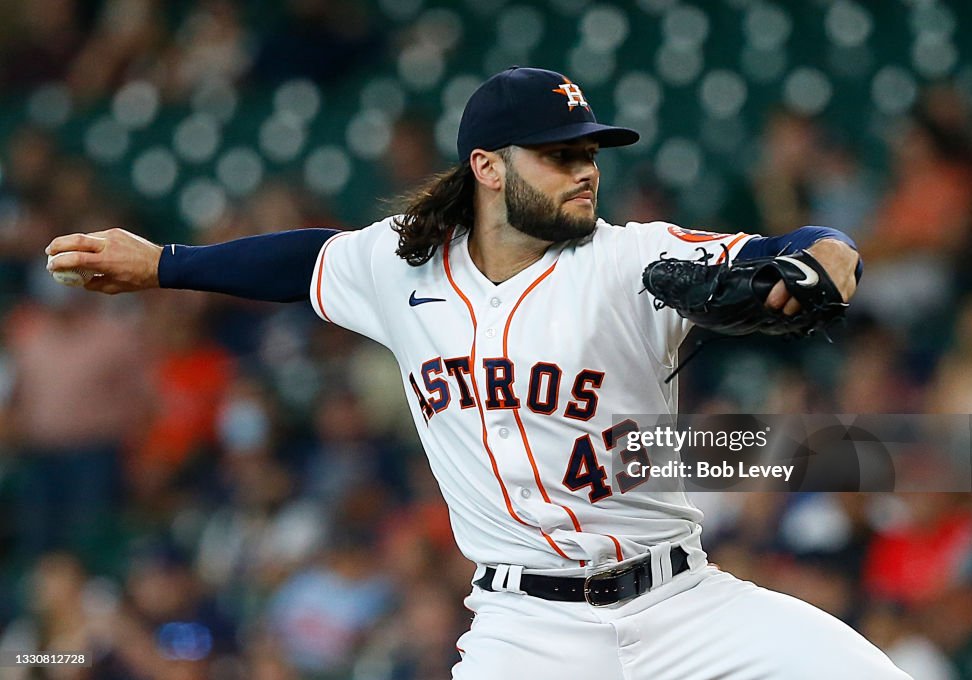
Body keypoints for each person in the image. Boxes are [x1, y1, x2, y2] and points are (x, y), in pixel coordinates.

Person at [47, 67, 908, 679]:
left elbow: (806, 249)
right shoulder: (398, 265)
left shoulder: (631, 258)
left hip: (685, 604)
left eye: (591, 152)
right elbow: (299, 261)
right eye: (559, 154)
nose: (586, 170)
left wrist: (821, 266)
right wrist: (164, 262)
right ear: (487, 168)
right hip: (526, 630)